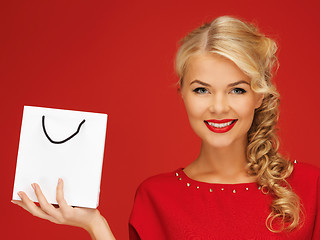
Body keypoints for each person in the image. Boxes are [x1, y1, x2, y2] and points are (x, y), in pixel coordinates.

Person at [12, 15, 320, 239]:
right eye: (202, 89)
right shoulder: (156, 196)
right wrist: (94, 224)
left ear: (259, 96)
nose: (218, 106)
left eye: (237, 89)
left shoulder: (311, 185)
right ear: (183, 94)